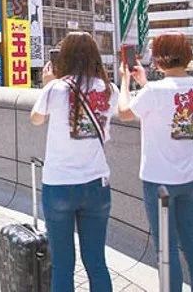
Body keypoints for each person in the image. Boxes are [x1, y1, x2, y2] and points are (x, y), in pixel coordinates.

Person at [118, 33, 193, 292]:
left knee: (167, 249)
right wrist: (145, 83)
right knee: (192, 242)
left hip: (159, 182)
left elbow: (125, 112)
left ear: (159, 59)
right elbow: (170, 109)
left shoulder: (154, 92)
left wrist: (125, 82)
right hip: (188, 178)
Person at [29, 32, 118, 292]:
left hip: (59, 185)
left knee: (62, 266)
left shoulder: (56, 89)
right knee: (97, 263)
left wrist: (47, 83)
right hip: (96, 184)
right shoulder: (109, 89)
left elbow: (36, 118)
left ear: (64, 57)